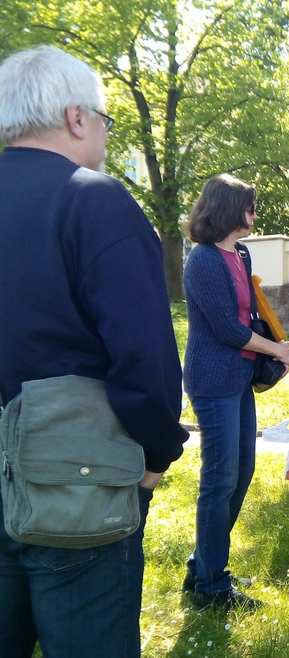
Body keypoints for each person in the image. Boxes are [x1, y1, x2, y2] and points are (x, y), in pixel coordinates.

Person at [0, 45, 188, 657]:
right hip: (76, 490)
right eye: (105, 121)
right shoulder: (94, 199)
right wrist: (158, 453)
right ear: (77, 118)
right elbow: (146, 359)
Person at [182, 174, 289, 610]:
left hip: (240, 380)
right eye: (249, 206)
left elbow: (250, 315)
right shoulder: (203, 261)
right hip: (212, 381)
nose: (254, 213)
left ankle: (204, 564)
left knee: (242, 471)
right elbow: (229, 329)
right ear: (229, 209)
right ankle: (211, 584)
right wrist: (277, 349)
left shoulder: (240, 255)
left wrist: (267, 348)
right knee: (219, 478)